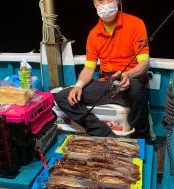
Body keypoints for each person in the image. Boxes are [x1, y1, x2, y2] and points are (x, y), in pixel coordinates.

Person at [55, 0, 151, 139]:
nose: (105, 3)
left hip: (129, 82)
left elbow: (144, 63)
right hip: (107, 85)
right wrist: (78, 86)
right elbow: (89, 68)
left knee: (137, 92)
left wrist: (128, 75)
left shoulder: (136, 24)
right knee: (63, 97)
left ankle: (140, 137)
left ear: (118, 1)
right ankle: (103, 133)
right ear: (94, 4)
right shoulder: (93, 34)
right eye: (100, 0)